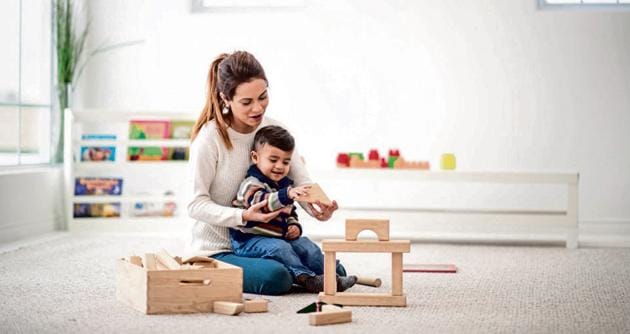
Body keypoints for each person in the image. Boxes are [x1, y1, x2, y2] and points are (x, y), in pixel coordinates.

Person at [188, 51, 343, 295]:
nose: (257, 108)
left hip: (271, 239)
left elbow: (302, 182)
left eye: (263, 97)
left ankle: (303, 274)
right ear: (225, 99)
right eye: (246, 102)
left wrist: (317, 208)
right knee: (276, 278)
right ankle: (298, 275)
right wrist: (242, 216)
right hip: (219, 248)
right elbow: (195, 205)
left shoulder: (274, 129)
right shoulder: (210, 138)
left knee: (337, 272)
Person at [230, 125, 357, 293]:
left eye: (286, 162)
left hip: (280, 237)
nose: (279, 166)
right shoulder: (251, 183)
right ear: (255, 157)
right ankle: (307, 278)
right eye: (273, 160)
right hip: (249, 240)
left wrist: (294, 226)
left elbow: (290, 212)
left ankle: (330, 275)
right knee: (280, 249)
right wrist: (286, 194)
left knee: (306, 245)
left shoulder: (285, 185)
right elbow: (261, 202)